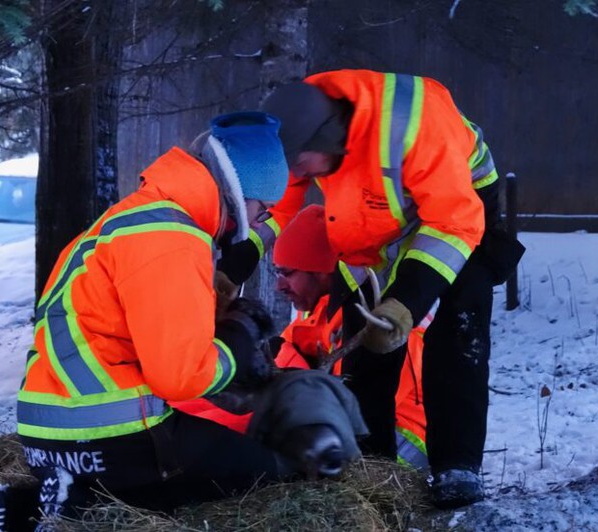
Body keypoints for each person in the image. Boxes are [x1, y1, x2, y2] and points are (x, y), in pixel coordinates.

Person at [216, 70, 524, 509]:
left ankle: (457, 466)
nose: (297, 176)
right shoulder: (303, 127)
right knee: (363, 334)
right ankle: (370, 465)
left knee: (458, 325)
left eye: (300, 166)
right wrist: (231, 269)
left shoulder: (416, 124)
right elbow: (277, 205)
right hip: (372, 220)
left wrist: (407, 303)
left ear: (327, 143)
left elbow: (453, 222)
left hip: (458, 211)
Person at [0, 112, 295, 531]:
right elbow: (180, 379)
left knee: (172, 473)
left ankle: (45, 507)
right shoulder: (173, 235)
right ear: (240, 192)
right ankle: (67, 509)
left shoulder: (130, 221)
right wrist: (237, 341)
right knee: (265, 472)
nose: (261, 221)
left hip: (47, 434)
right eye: (263, 208)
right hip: (107, 431)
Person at [177, 204, 428, 471]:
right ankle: (177, 419)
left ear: (320, 270)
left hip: (393, 455)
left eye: (287, 273)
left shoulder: (380, 326)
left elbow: (367, 407)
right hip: (331, 435)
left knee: (262, 414)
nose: (278, 286)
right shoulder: (313, 323)